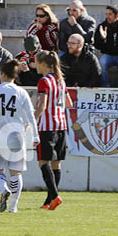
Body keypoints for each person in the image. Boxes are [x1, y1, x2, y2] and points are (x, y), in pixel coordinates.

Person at [0, 60, 38, 214]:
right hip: (16, 135)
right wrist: (35, 135)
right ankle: (13, 207)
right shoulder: (21, 92)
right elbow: (30, 115)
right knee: (16, 172)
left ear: (2, 74)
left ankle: (3, 189)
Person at [33, 51, 72, 210]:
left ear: (43, 64)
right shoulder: (60, 80)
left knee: (43, 162)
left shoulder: (44, 81)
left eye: (36, 62)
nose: (35, 65)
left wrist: (32, 121)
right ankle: (49, 201)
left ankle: (55, 196)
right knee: (56, 164)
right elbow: (69, 103)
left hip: (47, 127)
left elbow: (42, 106)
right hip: (61, 125)